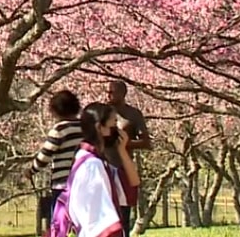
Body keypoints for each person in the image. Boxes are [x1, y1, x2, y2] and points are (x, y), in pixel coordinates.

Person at [68, 102, 140, 237]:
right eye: (114, 124)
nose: (118, 130)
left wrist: (122, 150)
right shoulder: (92, 166)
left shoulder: (95, 161)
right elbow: (100, 223)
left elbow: (132, 183)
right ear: (99, 127)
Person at [26, 90, 83, 220]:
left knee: (61, 222)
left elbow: (45, 156)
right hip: (83, 182)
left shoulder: (60, 129)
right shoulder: (85, 127)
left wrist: (31, 171)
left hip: (62, 183)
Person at [107, 81, 151, 236]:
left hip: (124, 169)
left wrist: (126, 143)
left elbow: (147, 142)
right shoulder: (103, 113)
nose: (108, 95)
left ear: (122, 93)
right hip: (104, 168)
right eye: (108, 91)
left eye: (112, 92)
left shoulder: (133, 114)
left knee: (123, 216)